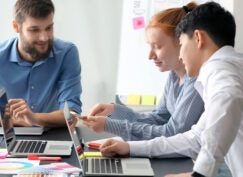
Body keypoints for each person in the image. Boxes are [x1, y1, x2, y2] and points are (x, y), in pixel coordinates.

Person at [100, 2, 243, 177]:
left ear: (198, 38)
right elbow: (196, 138)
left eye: (182, 44)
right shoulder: (228, 68)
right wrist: (131, 147)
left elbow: (229, 95)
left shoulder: (220, 73)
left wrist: (198, 175)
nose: (181, 55)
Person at [82, 2, 204, 141]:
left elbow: (173, 132)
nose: (150, 56)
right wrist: (114, 110)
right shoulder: (174, 76)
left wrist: (111, 126)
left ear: (181, 42)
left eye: (158, 47)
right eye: (150, 46)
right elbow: (159, 118)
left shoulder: (196, 81)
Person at [0, 0, 82, 127]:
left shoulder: (66, 53)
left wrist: (34, 118)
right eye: (34, 30)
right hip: (10, 135)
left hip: (53, 135)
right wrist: (16, 121)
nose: (44, 37)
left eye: (49, 28)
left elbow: (72, 114)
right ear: (16, 27)